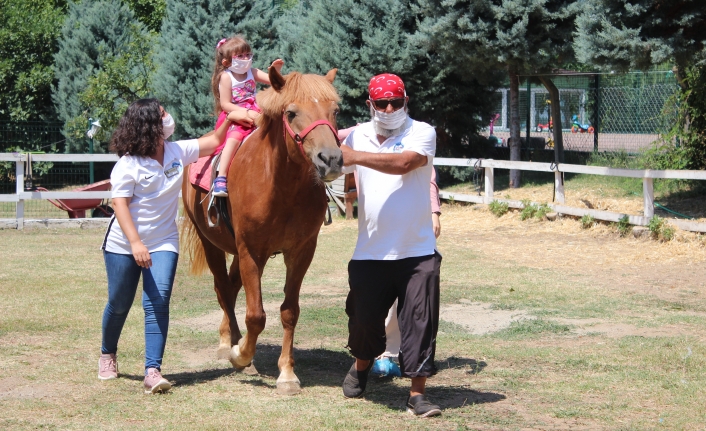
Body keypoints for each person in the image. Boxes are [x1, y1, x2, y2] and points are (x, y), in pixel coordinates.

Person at [97, 98, 246, 394]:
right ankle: (107, 353)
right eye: (163, 115)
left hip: (163, 241)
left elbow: (215, 141)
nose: (169, 119)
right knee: (119, 304)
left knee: (158, 301)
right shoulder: (128, 165)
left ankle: (153, 370)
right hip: (123, 245)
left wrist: (232, 116)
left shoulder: (176, 151)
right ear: (149, 125)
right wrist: (136, 243)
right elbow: (120, 205)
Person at [340, 73, 442, 418]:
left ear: (405, 102)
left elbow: (404, 164)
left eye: (395, 102)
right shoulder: (356, 135)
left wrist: (354, 156)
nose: (388, 108)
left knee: (420, 323)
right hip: (370, 251)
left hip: (417, 251)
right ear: (369, 104)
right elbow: (328, 162)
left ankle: (417, 394)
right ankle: (362, 365)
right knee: (364, 322)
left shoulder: (421, 132)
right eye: (381, 103)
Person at [371, 167, 441, 377]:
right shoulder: (364, 137)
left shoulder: (415, 139)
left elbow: (429, 177)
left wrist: (434, 212)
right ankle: (383, 351)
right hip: (382, 222)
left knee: (419, 292)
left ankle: (406, 353)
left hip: (414, 222)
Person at [210, 35, 284, 196]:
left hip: (257, 108)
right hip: (236, 112)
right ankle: (221, 177)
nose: (245, 59)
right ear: (227, 62)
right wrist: (244, 113)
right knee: (234, 137)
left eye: (247, 55)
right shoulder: (226, 77)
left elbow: (274, 82)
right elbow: (225, 104)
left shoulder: (253, 72)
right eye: (240, 56)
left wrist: (275, 71)